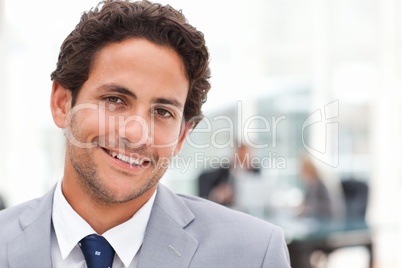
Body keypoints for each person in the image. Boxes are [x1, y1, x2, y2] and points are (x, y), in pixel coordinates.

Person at [0, 1, 290, 267]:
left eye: (163, 112)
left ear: (181, 136)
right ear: (62, 104)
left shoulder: (253, 254)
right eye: (114, 99)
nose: (136, 134)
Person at [197, 142, 260, 207]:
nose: (243, 161)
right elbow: (206, 196)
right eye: (240, 157)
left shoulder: (256, 172)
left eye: (246, 157)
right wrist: (216, 195)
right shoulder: (221, 172)